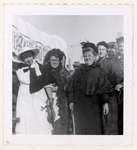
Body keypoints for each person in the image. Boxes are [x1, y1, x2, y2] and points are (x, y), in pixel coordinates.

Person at [67, 42, 113, 135]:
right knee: (81, 129)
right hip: (80, 106)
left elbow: (104, 88)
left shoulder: (99, 71)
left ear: (94, 56)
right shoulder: (78, 71)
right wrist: (71, 101)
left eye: (89, 55)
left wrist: (105, 103)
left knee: (94, 129)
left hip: (94, 107)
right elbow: (71, 86)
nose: (87, 58)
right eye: (85, 56)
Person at [30, 48, 70, 134]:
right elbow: (36, 86)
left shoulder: (64, 72)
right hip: (48, 103)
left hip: (62, 103)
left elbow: (69, 87)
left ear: (60, 60)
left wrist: (59, 88)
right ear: (49, 60)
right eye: (52, 60)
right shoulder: (45, 70)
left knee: (61, 125)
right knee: (50, 126)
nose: (54, 61)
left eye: (57, 59)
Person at [15, 47, 52, 134]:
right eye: (25, 57)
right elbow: (26, 80)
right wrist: (32, 69)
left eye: (29, 56)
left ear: (33, 56)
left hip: (38, 93)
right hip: (25, 94)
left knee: (40, 114)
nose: (28, 59)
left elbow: (45, 82)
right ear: (23, 59)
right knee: (26, 115)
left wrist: (50, 97)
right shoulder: (20, 69)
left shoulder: (40, 67)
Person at [96, 41, 123, 134]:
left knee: (110, 125)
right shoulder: (96, 63)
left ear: (106, 51)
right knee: (102, 124)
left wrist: (119, 84)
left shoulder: (110, 63)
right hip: (99, 97)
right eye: (99, 49)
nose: (100, 51)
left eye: (103, 49)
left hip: (110, 97)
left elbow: (119, 77)